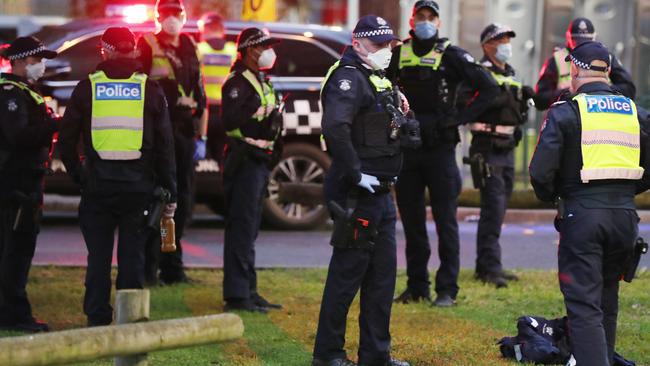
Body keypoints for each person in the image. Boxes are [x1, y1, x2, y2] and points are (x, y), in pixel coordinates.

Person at [529, 41, 650, 366]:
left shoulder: (567, 111)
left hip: (581, 215)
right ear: (608, 70)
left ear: (576, 70)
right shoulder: (635, 113)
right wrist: (625, 190)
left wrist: (557, 194)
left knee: (584, 305)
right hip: (625, 217)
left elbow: (540, 173)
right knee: (607, 299)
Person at [59, 27, 177, 326]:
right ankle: (130, 319)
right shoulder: (149, 88)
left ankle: (97, 318)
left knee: (97, 258)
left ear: (106, 50)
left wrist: (79, 175)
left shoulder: (88, 87)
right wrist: (169, 188)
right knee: (132, 256)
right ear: (135, 50)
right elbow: (165, 145)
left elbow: (66, 139)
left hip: (97, 186)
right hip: (138, 188)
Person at [312, 15, 410, 366]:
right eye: (378, 44)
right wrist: (354, 174)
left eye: (388, 44)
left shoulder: (377, 78)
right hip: (356, 193)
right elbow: (336, 128)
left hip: (381, 193)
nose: (385, 50)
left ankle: (375, 355)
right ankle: (328, 355)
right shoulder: (348, 78)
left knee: (382, 280)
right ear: (357, 43)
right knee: (346, 277)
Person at [386, 0, 498, 306]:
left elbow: (488, 88)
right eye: (420, 15)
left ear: (438, 22)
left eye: (430, 16)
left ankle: (447, 290)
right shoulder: (400, 53)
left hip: (441, 150)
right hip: (409, 151)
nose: (424, 21)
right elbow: (382, 88)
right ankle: (417, 286)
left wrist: (458, 118)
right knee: (411, 222)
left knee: (446, 222)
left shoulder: (452, 54)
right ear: (411, 19)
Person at [137, 0, 205, 285]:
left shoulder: (190, 46)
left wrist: (200, 131)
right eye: (165, 14)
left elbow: (200, 89)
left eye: (175, 14)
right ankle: (149, 270)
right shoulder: (147, 44)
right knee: (159, 201)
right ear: (157, 17)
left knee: (183, 203)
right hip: (158, 135)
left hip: (185, 133)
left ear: (183, 16)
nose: (171, 19)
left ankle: (173, 269)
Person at [220, 27, 283, 313]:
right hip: (243, 161)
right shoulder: (237, 82)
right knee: (241, 229)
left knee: (251, 230)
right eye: (263, 46)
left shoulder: (262, 80)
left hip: (260, 161)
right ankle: (236, 296)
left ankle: (250, 290)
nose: (269, 51)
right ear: (248, 50)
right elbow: (230, 120)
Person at [468, 23, 536, 288]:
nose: (506, 44)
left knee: (499, 209)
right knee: (492, 209)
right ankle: (488, 269)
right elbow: (465, 106)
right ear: (487, 45)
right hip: (487, 149)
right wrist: (492, 99)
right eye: (500, 39)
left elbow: (516, 111)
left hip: (507, 149)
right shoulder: (478, 73)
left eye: (508, 38)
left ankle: (487, 264)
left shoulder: (511, 73)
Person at [0, 36, 58, 332]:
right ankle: (14, 314)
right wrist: (56, 123)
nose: (42, 65)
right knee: (15, 251)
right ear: (22, 61)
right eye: (37, 60)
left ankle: (12, 310)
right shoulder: (10, 93)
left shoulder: (27, 91)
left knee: (17, 248)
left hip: (26, 180)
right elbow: (18, 137)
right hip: (16, 184)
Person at [534, 17, 635, 110]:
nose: (583, 46)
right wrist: (566, 92)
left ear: (594, 37)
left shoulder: (606, 57)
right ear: (568, 39)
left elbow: (629, 89)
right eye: (577, 42)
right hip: (568, 117)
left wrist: (601, 90)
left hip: (601, 115)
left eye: (587, 41)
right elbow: (539, 100)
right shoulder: (556, 60)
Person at [197, 12, 237, 165]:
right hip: (227, 113)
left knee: (198, 162)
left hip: (203, 114)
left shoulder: (199, 49)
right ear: (222, 30)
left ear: (204, 29)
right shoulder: (233, 51)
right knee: (224, 159)